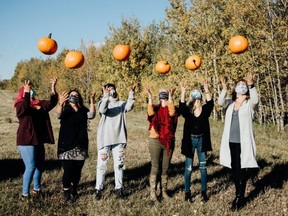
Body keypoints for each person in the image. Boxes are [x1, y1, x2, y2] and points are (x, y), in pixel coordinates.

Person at [218, 73, 259, 210]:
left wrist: (252, 85)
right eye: (239, 84)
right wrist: (223, 89)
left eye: (244, 85)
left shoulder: (249, 104)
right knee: (234, 169)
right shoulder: (230, 102)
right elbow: (220, 102)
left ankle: (240, 198)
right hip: (230, 141)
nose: (241, 86)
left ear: (246, 89)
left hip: (243, 142)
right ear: (235, 88)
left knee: (241, 169)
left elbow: (256, 100)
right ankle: (237, 194)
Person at [14, 78, 58, 198]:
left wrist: (53, 87)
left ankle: (37, 190)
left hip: (38, 139)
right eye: (28, 91)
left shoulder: (38, 104)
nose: (30, 92)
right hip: (26, 140)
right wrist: (26, 94)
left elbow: (51, 103)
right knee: (31, 166)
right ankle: (25, 194)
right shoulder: (20, 105)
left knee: (39, 165)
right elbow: (24, 108)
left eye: (31, 91)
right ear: (23, 94)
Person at [95, 83, 136, 200]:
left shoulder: (121, 104)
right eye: (108, 89)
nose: (111, 91)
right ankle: (98, 189)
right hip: (105, 139)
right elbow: (102, 110)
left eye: (112, 89)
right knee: (102, 165)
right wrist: (106, 96)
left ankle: (119, 188)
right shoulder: (102, 102)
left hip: (119, 139)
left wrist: (131, 93)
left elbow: (129, 107)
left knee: (119, 165)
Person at [56, 89, 96, 202]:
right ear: (68, 98)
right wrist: (60, 102)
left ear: (79, 98)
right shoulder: (65, 109)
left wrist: (92, 102)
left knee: (77, 171)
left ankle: (74, 189)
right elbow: (57, 115)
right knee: (68, 170)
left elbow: (92, 115)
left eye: (76, 95)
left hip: (81, 145)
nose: (74, 97)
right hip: (66, 146)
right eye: (72, 95)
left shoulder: (83, 110)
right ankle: (66, 192)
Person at [179, 79, 214, 202]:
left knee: (203, 168)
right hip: (190, 141)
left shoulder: (205, 110)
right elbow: (181, 107)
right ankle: (187, 193)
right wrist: (183, 92)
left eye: (198, 98)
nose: (196, 101)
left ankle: (203, 192)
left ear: (200, 98)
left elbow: (211, 104)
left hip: (201, 141)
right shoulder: (188, 112)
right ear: (192, 99)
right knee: (188, 168)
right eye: (194, 99)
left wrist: (206, 89)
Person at [146, 87, 178, 202]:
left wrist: (170, 98)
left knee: (165, 168)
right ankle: (152, 193)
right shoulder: (155, 107)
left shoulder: (172, 106)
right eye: (161, 92)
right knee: (155, 167)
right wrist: (150, 98)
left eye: (165, 91)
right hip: (155, 141)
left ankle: (163, 191)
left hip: (168, 142)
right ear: (158, 95)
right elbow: (150, 113)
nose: (163, 93)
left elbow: (172, 112)